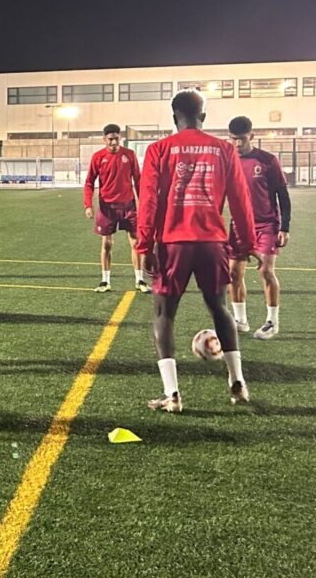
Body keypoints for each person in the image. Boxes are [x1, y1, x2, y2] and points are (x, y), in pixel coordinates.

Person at [137, 90, 256, 412]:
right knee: (219, 308)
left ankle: (172, 394)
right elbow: (240, 200)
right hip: (211, 241)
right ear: (203, 116)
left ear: (175, 116)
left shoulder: (159, 149)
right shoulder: (223, 149)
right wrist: (246, 242)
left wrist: (145, 243)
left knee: (164, 314)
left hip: (174, 242)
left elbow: (148, 200)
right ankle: (238, 383)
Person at [227, 116, 290, 340]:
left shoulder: (267, 160)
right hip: (238, 224)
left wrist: (285, 226)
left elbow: (282, 194)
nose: (237, 144)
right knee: (233, 273)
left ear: (251, 136)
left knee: (265, 270)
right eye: (233, 139)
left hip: (266, 224)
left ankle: (272, 322)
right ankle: (240, 320)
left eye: (241, 139)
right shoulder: (228, 161)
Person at [83, 124, 149, 293]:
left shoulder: (129, 155)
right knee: (107, 243)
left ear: (120, 138)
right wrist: (88, 205)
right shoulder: (98, 157)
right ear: (104, 139)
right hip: (107, 207)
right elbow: (89, 182)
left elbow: (138, 180)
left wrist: (144, 203)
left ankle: (140, 279)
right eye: (110, 139)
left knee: (135, 241)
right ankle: (105, 281)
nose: (113, 142)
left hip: (128, 206)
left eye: (116, 138)